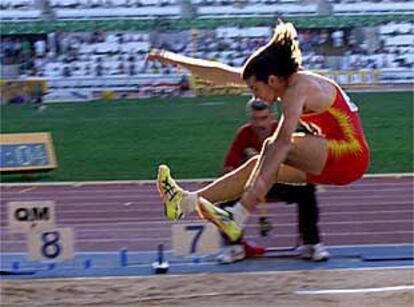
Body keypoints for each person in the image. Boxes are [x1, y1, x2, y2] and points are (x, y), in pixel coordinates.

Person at [149, 21, 370, 248]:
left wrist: (248, 202)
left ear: (272, 80)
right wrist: (174, 60)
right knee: (256, 165)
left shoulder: (298, 88)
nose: (254, 96)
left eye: (255, 89)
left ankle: (238, 215)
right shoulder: (277, 81)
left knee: (274, 147)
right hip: (329, 157)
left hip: (350, 156)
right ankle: (183, 202)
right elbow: (223, 74)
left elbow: (283, 143)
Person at [216, 98, 329, 263]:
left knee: (307, 191)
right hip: (251, 186)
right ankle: (234, 246)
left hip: (279, 183)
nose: (260, 124)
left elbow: (301, 164)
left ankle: (312, 243)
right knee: (225, 196)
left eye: (264, 118)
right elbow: (227, 168)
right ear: (250, 118)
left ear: (272, 117)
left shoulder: (284, 132)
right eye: (255, 119)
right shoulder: (244, 134)